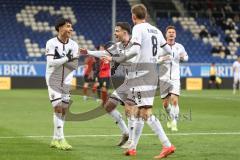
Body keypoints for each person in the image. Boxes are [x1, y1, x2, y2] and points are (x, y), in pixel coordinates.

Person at [102, 4, 175, 159]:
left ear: (133, 16)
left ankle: (167, 145)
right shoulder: (155, 30)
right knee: (140, 112)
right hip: (150, 73)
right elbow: (168, 50)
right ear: (146, 14)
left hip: (141, 74)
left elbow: (134, 50)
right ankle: (133, 147)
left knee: (145, 112)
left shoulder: (138, 29)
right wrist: (155, 58)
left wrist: (114, 58)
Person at [80, 22, 134, 147]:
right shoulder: (118, 45)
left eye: (117, 31)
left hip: (137, 82)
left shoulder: (135, 45)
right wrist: (88, 51)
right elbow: (105, 53)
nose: (115, 33)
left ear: (125, 32)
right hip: (127, 83)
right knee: (108, 106)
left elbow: (131, 60)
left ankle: (132, 141)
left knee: (129, 109)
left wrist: (113, 59)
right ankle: (126, 133)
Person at [45, 18, 79, 150]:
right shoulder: (51, 43)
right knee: (58, 107)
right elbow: (51, 62)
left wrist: (65, 61)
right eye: (68, 26)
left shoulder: (74, 45)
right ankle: (61, 139)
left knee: (64, 110)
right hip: (53, 79)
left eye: (71, 27)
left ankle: (54, 138)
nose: (71, 29)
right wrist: (67, 58)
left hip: (66, 80)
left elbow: (74, 64)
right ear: (60, 28)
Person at [158, 25, 189, 132]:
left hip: (175, 78)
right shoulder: (161, 46)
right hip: (163, 78)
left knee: (174, 100)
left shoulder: (179, 47)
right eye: (169, 32)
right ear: (166, 34)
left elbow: (186, 57)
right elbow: (154, 60)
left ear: (175, 35)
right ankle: (170, 118)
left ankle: (174, 122)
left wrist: (182, 57)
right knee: (166, 104)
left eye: (173, 32)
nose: (171, 34)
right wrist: (163, 58)